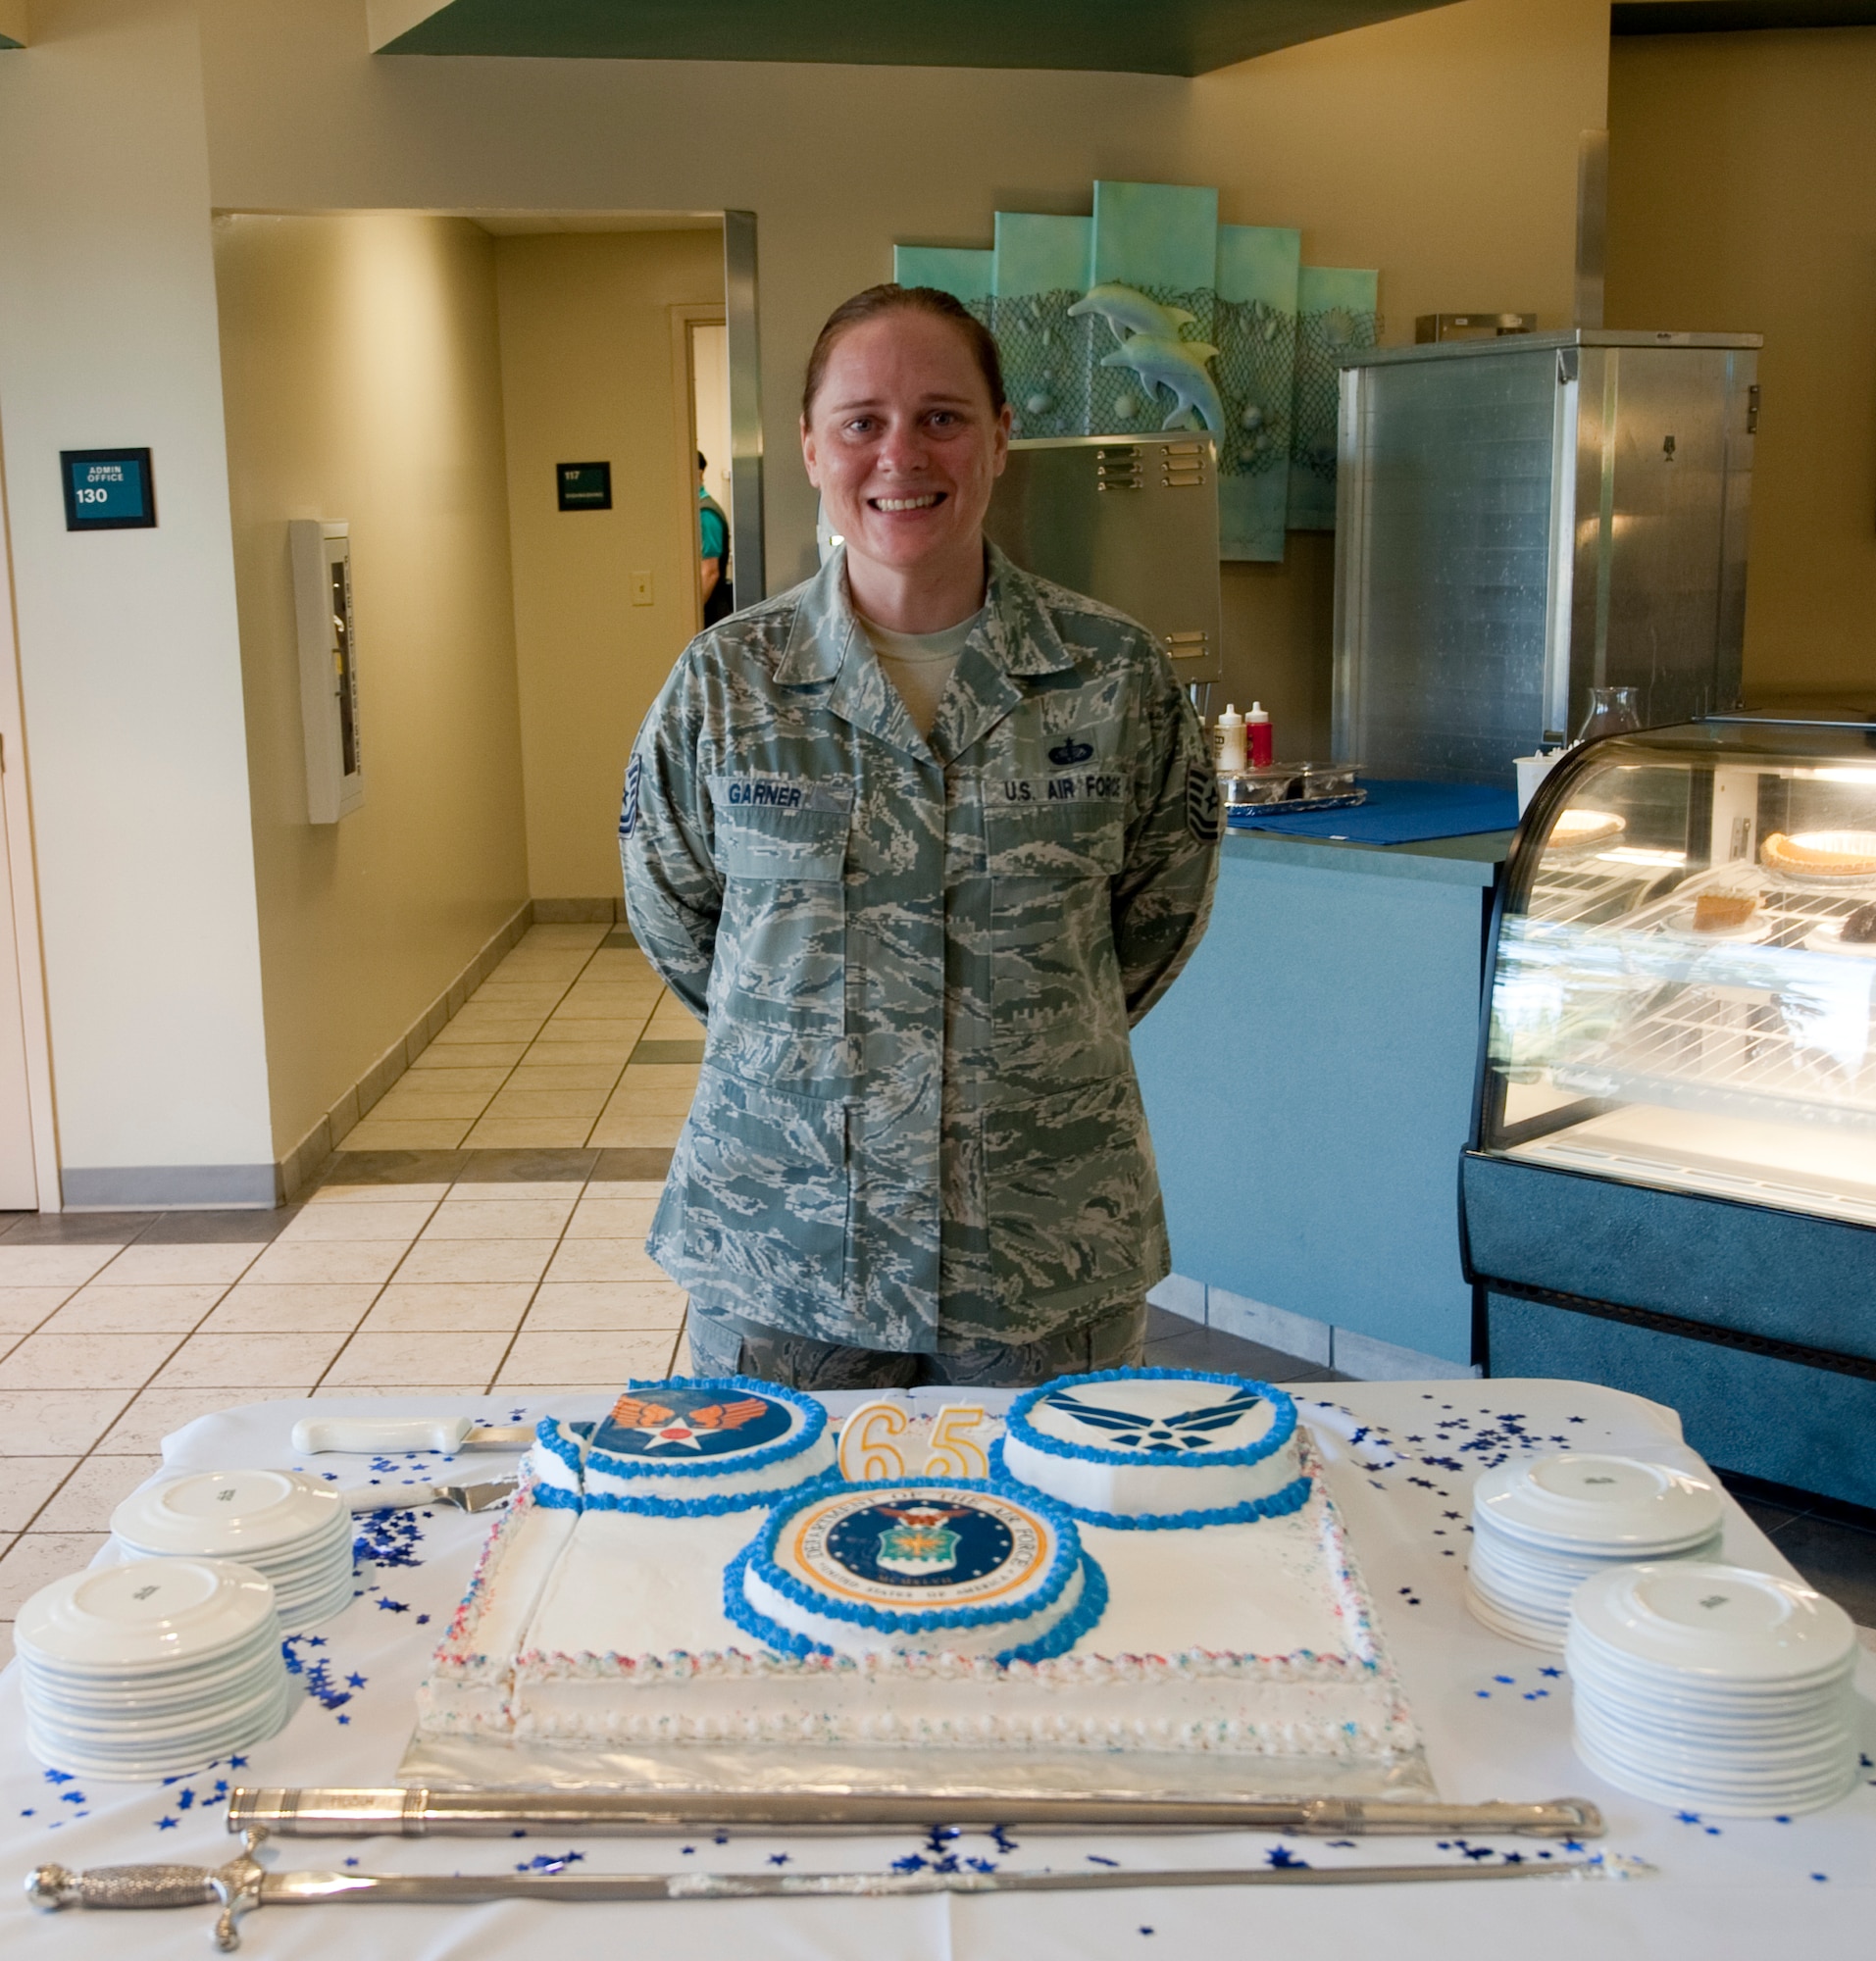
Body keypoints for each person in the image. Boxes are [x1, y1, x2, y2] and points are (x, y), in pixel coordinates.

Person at [623, 284, 1220, 1391]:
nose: (901, 453)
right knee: (771, 1550)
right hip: (782, 1248)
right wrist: (811, 1047)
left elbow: (1153, 916)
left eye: (941, 416)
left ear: (999, 439)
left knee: (1057, 1549)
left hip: (1041, 1251)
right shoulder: (724, 685)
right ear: (810, 447)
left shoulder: (1114, 676)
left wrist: (1011, 1046)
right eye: (862, 421)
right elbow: (676, 916)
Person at [696, 450, 733, 627]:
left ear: (699, 473)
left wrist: (693, 614)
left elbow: (710, 572)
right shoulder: (697, 510)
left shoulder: (706, 515)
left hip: (711, 614)